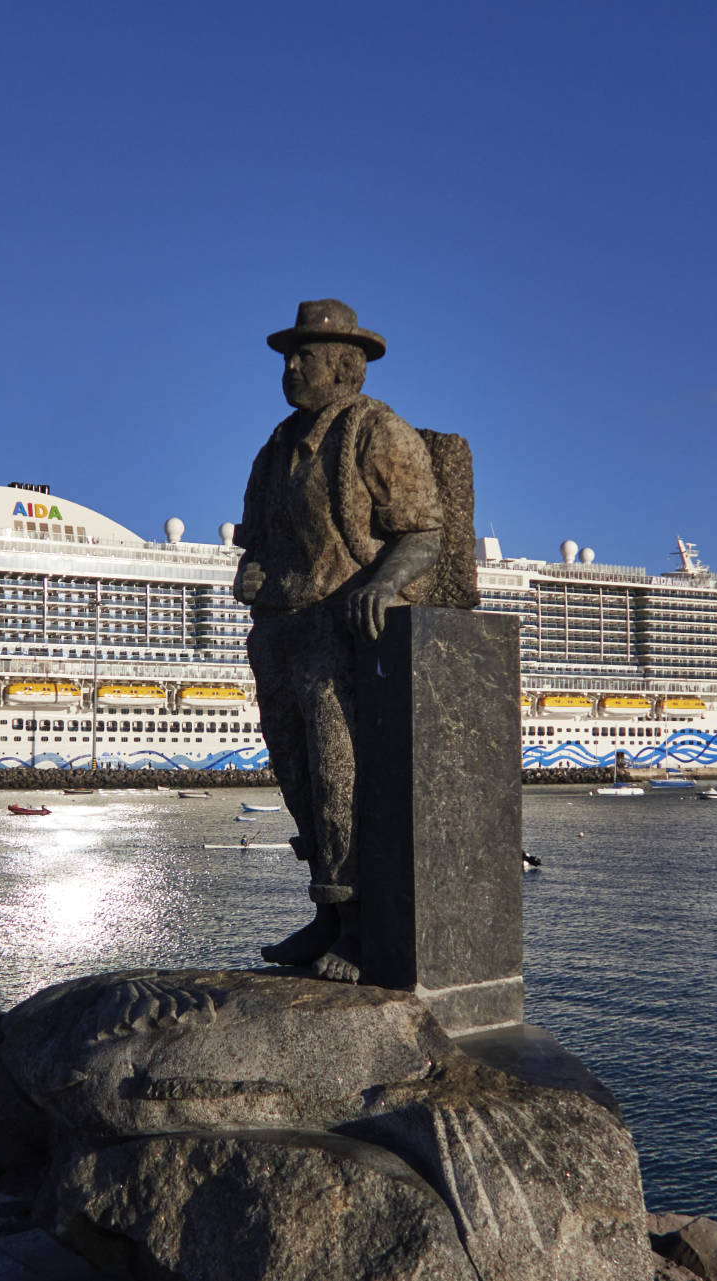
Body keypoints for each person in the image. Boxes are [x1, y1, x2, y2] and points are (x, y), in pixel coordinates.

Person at [233, 300, 444, 982]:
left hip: (337, 628)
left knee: (339, 775)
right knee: (296, 778)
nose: (291, 367)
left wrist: (383, 584)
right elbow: (256, 538)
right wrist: (257, 569)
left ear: (347, 367)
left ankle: (356, 924)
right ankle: (325, 909)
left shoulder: (374, 431)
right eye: (288, 357)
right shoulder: (274, 447)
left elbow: (422, 531)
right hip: (278, 630)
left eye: (307, 356)